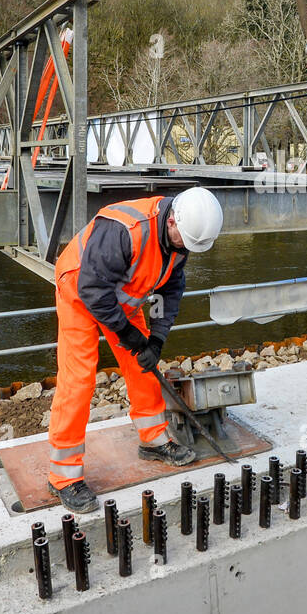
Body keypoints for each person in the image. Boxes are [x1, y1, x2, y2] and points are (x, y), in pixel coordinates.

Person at [46, 187, 224, 513]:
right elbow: (93, 289)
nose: (186, 248)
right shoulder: (125, 231)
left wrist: (155, 339)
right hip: (80, 288)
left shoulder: (180, 238)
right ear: (171, 220)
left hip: (123, 292)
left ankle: (153, 440)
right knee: (79, 379)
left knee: (143, 367)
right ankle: (63, 476)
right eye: (185, 240)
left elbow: (170, 291)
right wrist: (125, 331)